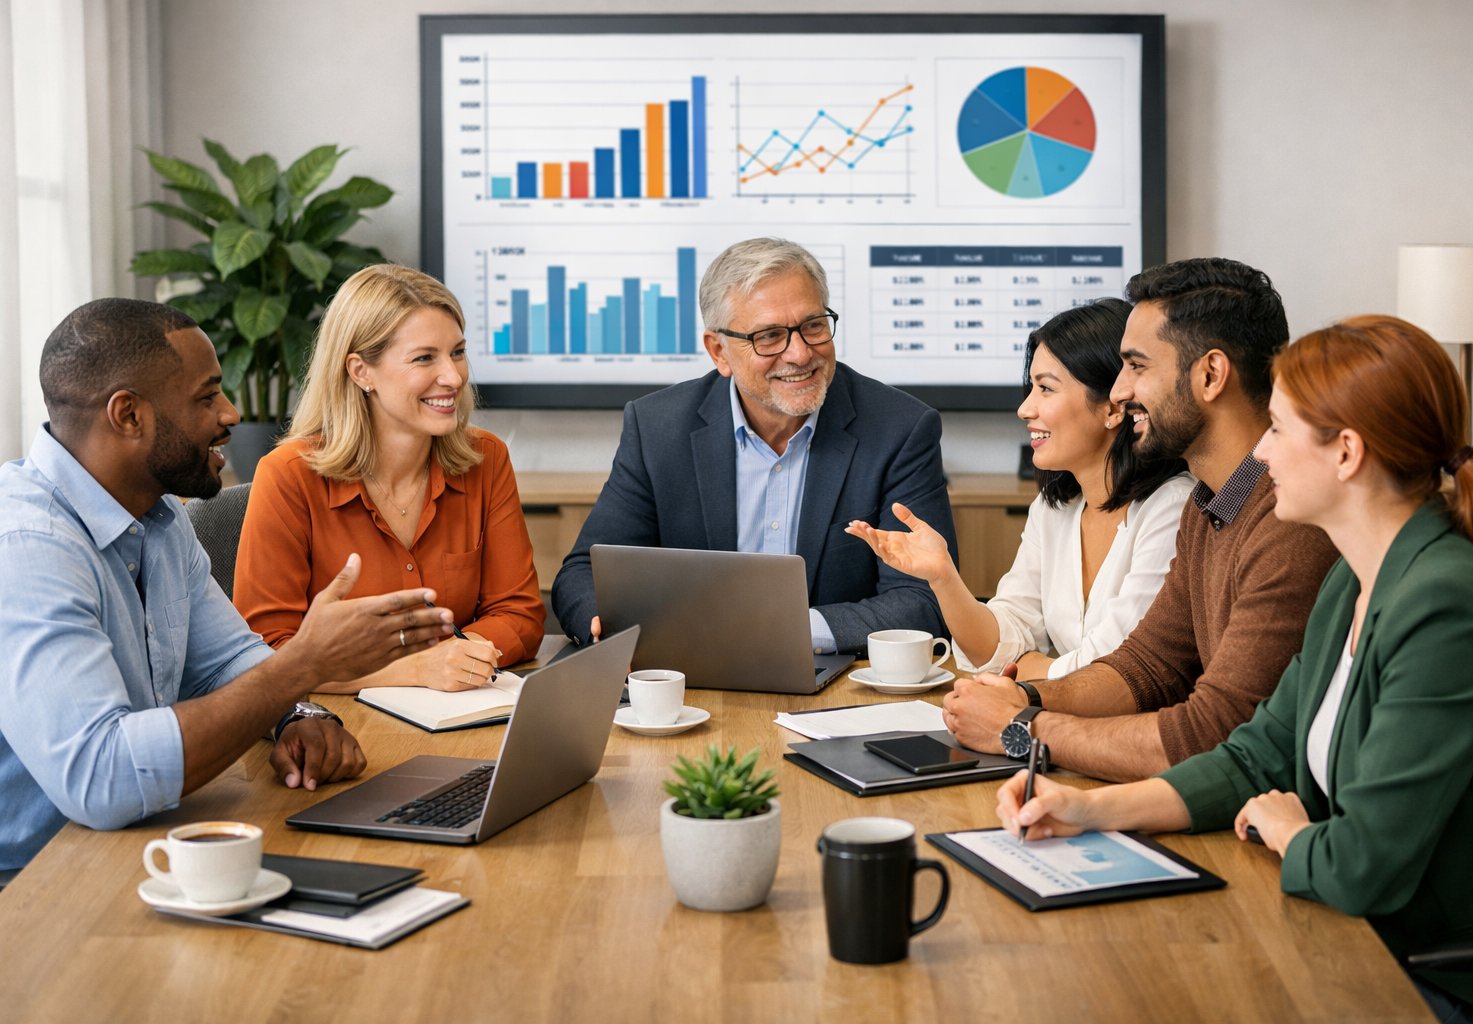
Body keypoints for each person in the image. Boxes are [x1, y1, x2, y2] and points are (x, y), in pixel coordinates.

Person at [996, 315, 1473, 1022]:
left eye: (1278, 430)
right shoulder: (1353, 579)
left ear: (1346, 453)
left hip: (1448, 977)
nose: (1262, 455)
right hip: (1360, 938)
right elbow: (1257, 755)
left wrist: (1291, 832)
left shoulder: (1447, 607)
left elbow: (1360, 866)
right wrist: (1093, 810)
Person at [0, 298, 456, 882]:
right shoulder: (28, 547)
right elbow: (103, 778)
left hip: (135, 847)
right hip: (35, 883)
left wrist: (297, 714)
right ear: (128, 415)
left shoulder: (159, 518)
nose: (232, 412)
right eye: (206, 396)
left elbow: (228, 663)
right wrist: (302, 666)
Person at [944, 257, 1338, 780]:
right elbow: (1147, 666)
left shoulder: (1289, 518)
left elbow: (1214, 731)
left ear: (1211, 375)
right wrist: (1025, 693)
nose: (1119, 390)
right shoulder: (1213, 504)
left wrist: (1024, 727)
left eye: (1137, 366)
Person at [551, 237, 956, 654]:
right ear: (719, 351)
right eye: (769, 336)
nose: (799, 353)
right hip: (692, 676)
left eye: (813, 325)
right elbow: (585, 574)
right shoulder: (658, 428)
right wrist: (610, 629)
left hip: (840, 683)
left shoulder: (900, 429)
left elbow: (924, 599)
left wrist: (777, 630)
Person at [848, 299, 1193, 682]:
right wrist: (943, 577)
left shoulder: (1173, 510)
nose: (1025, 409)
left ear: (1114, 406)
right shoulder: (1057, 508)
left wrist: (1026, 668)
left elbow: (1111, 671)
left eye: (1046, 388)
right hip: (1061, 718)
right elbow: (1003, 638)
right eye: (1031, 388)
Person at [235, 265, 544, 692]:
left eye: (457, 352)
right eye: (424, 358)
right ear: (361, 371)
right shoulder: (288, 477)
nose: (453, 376)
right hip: (338, 728)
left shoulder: (486, 459)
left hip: (460, 716)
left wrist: (459, 656)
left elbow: (520, 612)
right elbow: (266, 652)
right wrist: (417, 671)